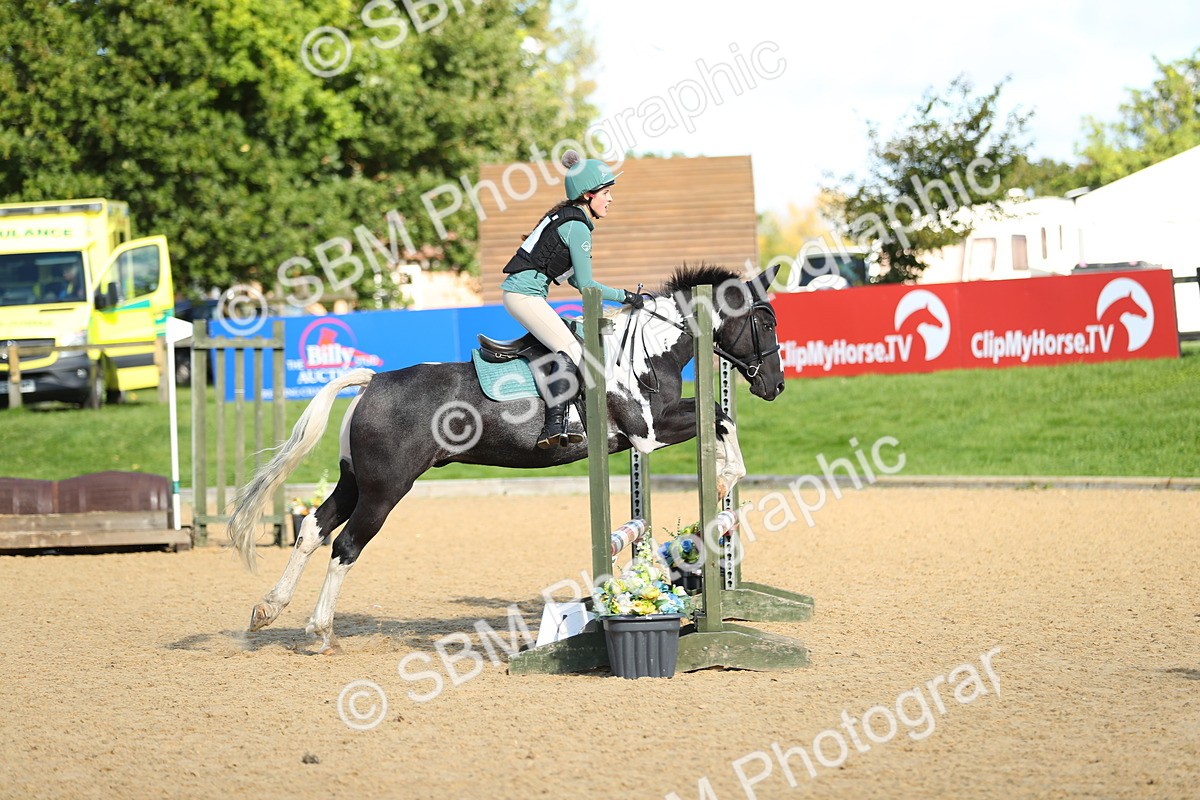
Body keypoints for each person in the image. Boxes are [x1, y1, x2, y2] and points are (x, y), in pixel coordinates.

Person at [500, 149, 644, 449]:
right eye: (606, 192)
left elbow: (578, 281)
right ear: (588, 195)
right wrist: (626, 296)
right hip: (524, 296)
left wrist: (621, 296)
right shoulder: (577, 226)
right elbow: (587, 285)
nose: (611, 199)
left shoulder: (570, 219)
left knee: (570, 347)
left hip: (523, 294)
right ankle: (552, 427)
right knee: (572, 351)